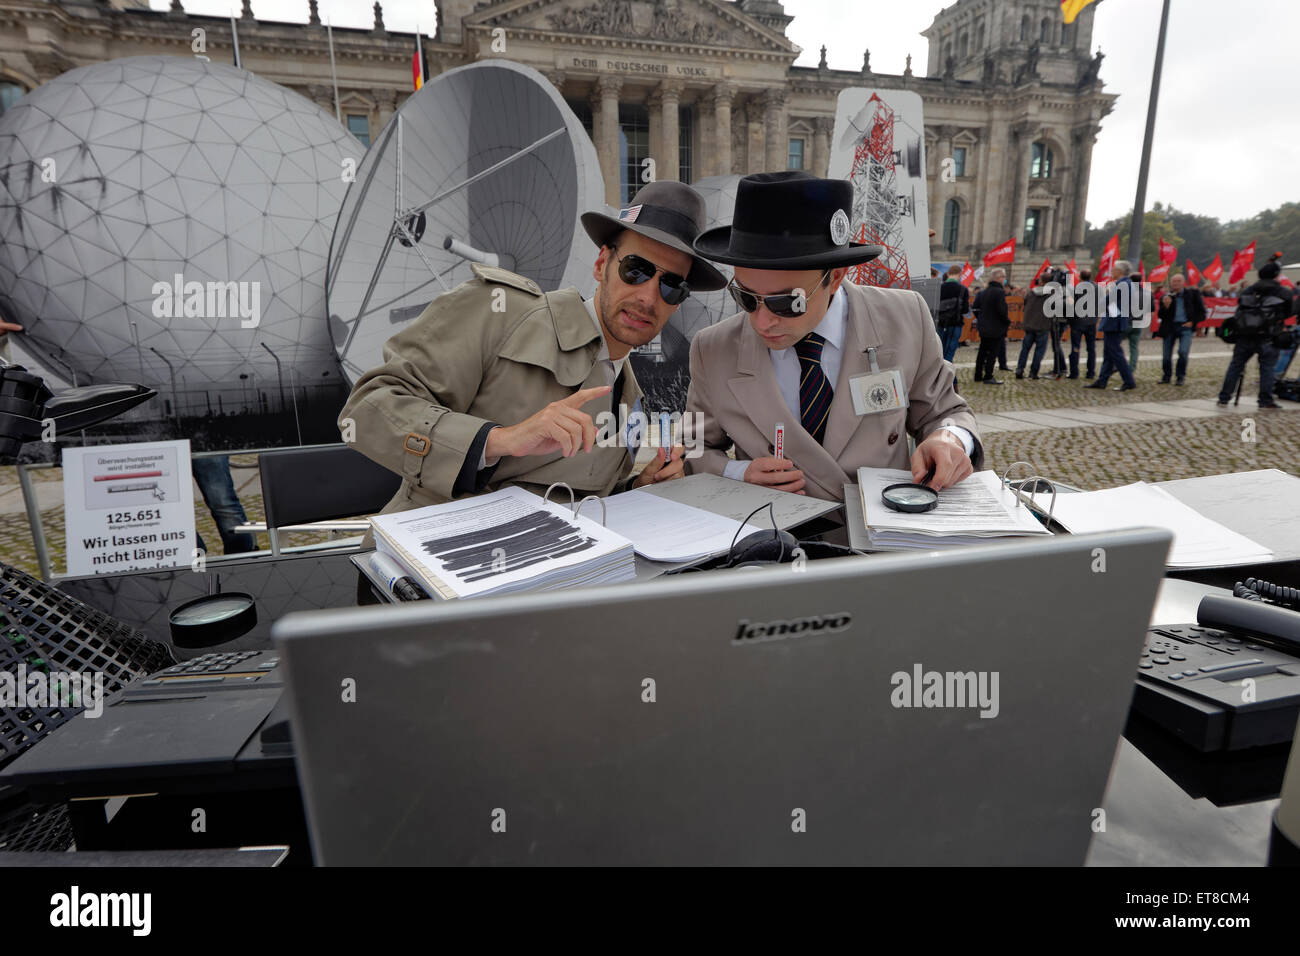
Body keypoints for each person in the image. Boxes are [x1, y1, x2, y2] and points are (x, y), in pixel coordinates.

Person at [340, 180, 726, 518]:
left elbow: (578, 502)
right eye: (636, 270)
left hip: (541, 581)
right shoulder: (498, 311)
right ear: (601, 263)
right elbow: (369, 407)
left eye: (672, 285)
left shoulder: (630, 398)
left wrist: (638, 488)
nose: (648, 296)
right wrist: (500, 440)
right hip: (430, 574)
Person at [684, 171, 982, 502]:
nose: (762, 321)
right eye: (746, 298)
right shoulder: (714, 348)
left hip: (886, 540)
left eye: (788, 302)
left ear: (835, 277)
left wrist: (950, 440)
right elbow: (693, 448)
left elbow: (943, 411)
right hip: (776, 538)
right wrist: (738, 472)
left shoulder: (904, 317)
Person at [1216, 255, 1294, 408]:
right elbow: (1288, 313)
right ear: (1276, 275)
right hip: (1269, 336)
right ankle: (1265, 400)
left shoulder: (1248, 291)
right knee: (1267, 368)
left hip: (1245, 335)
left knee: (1236, 366)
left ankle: (1224, 397)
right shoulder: (1284, 292)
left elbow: (1239, 311)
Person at [1085, 259, 1138, 391]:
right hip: (1116, 320)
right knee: (1109, 354)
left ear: (1119, 271)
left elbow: (1108, 301)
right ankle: (1102, 380)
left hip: (1114, 321)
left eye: (1114, 269)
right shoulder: (1126, 284)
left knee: (1115, 353)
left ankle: (1129, 380)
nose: (1112, 271)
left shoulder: (1122, 284)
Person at [1155, 272, 1204, 385]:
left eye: (1178, 281)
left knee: (1183, 352)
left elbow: (1202, 312)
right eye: (1174, 281)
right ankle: (1166, 376)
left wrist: (1192, 322)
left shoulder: (1192, 294)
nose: (1176, 283)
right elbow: (1161, 315)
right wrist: (1166, 307)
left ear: (1183, 283)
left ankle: (1180, 376)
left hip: (1185, 327)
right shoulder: (1166, 296)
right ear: (1171, 283)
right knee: (1166, 355)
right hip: (1170, 327)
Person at [974, 268, 1010, 384]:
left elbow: (976, 308)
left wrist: (981, 319)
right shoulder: (999, 292)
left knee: (982, 351)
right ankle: (988, 375)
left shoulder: (984, 291)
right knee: (993, 352)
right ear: (998, 278)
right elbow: (1002, 310)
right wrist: (1006, 321)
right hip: (996, 327)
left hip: (984, 326)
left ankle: (978, 375)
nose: (1004, 279)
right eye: (1003, 277)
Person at [1016, 274, 1052, 379]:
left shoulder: (1031, 293)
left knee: (1025, 349)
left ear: (1040, 281)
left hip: (1029, 325)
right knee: (1039, 351)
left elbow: (1025, 302)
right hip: (1042, 326)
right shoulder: (1051, 294)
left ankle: (1019, 369)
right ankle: (1033, 372)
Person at [935, 264, 969, 364]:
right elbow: (965, 309)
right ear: (960, 274)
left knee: (940, 351)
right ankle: (949, 377)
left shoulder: (939, 288)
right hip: (955, 324)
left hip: (940, 323)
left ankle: (940, 375)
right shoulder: (963, 289)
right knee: (949, 352)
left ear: (948, 274)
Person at [1068, 268, 1097, 379]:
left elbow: (1072, 305)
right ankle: (1091, 372)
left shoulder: (1077, 289)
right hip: (1091, 321)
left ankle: (1074, 372)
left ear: (1080, 277)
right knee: (1091, 348)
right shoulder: (1097, 289)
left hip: (1078, 321)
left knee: (1075, 347)